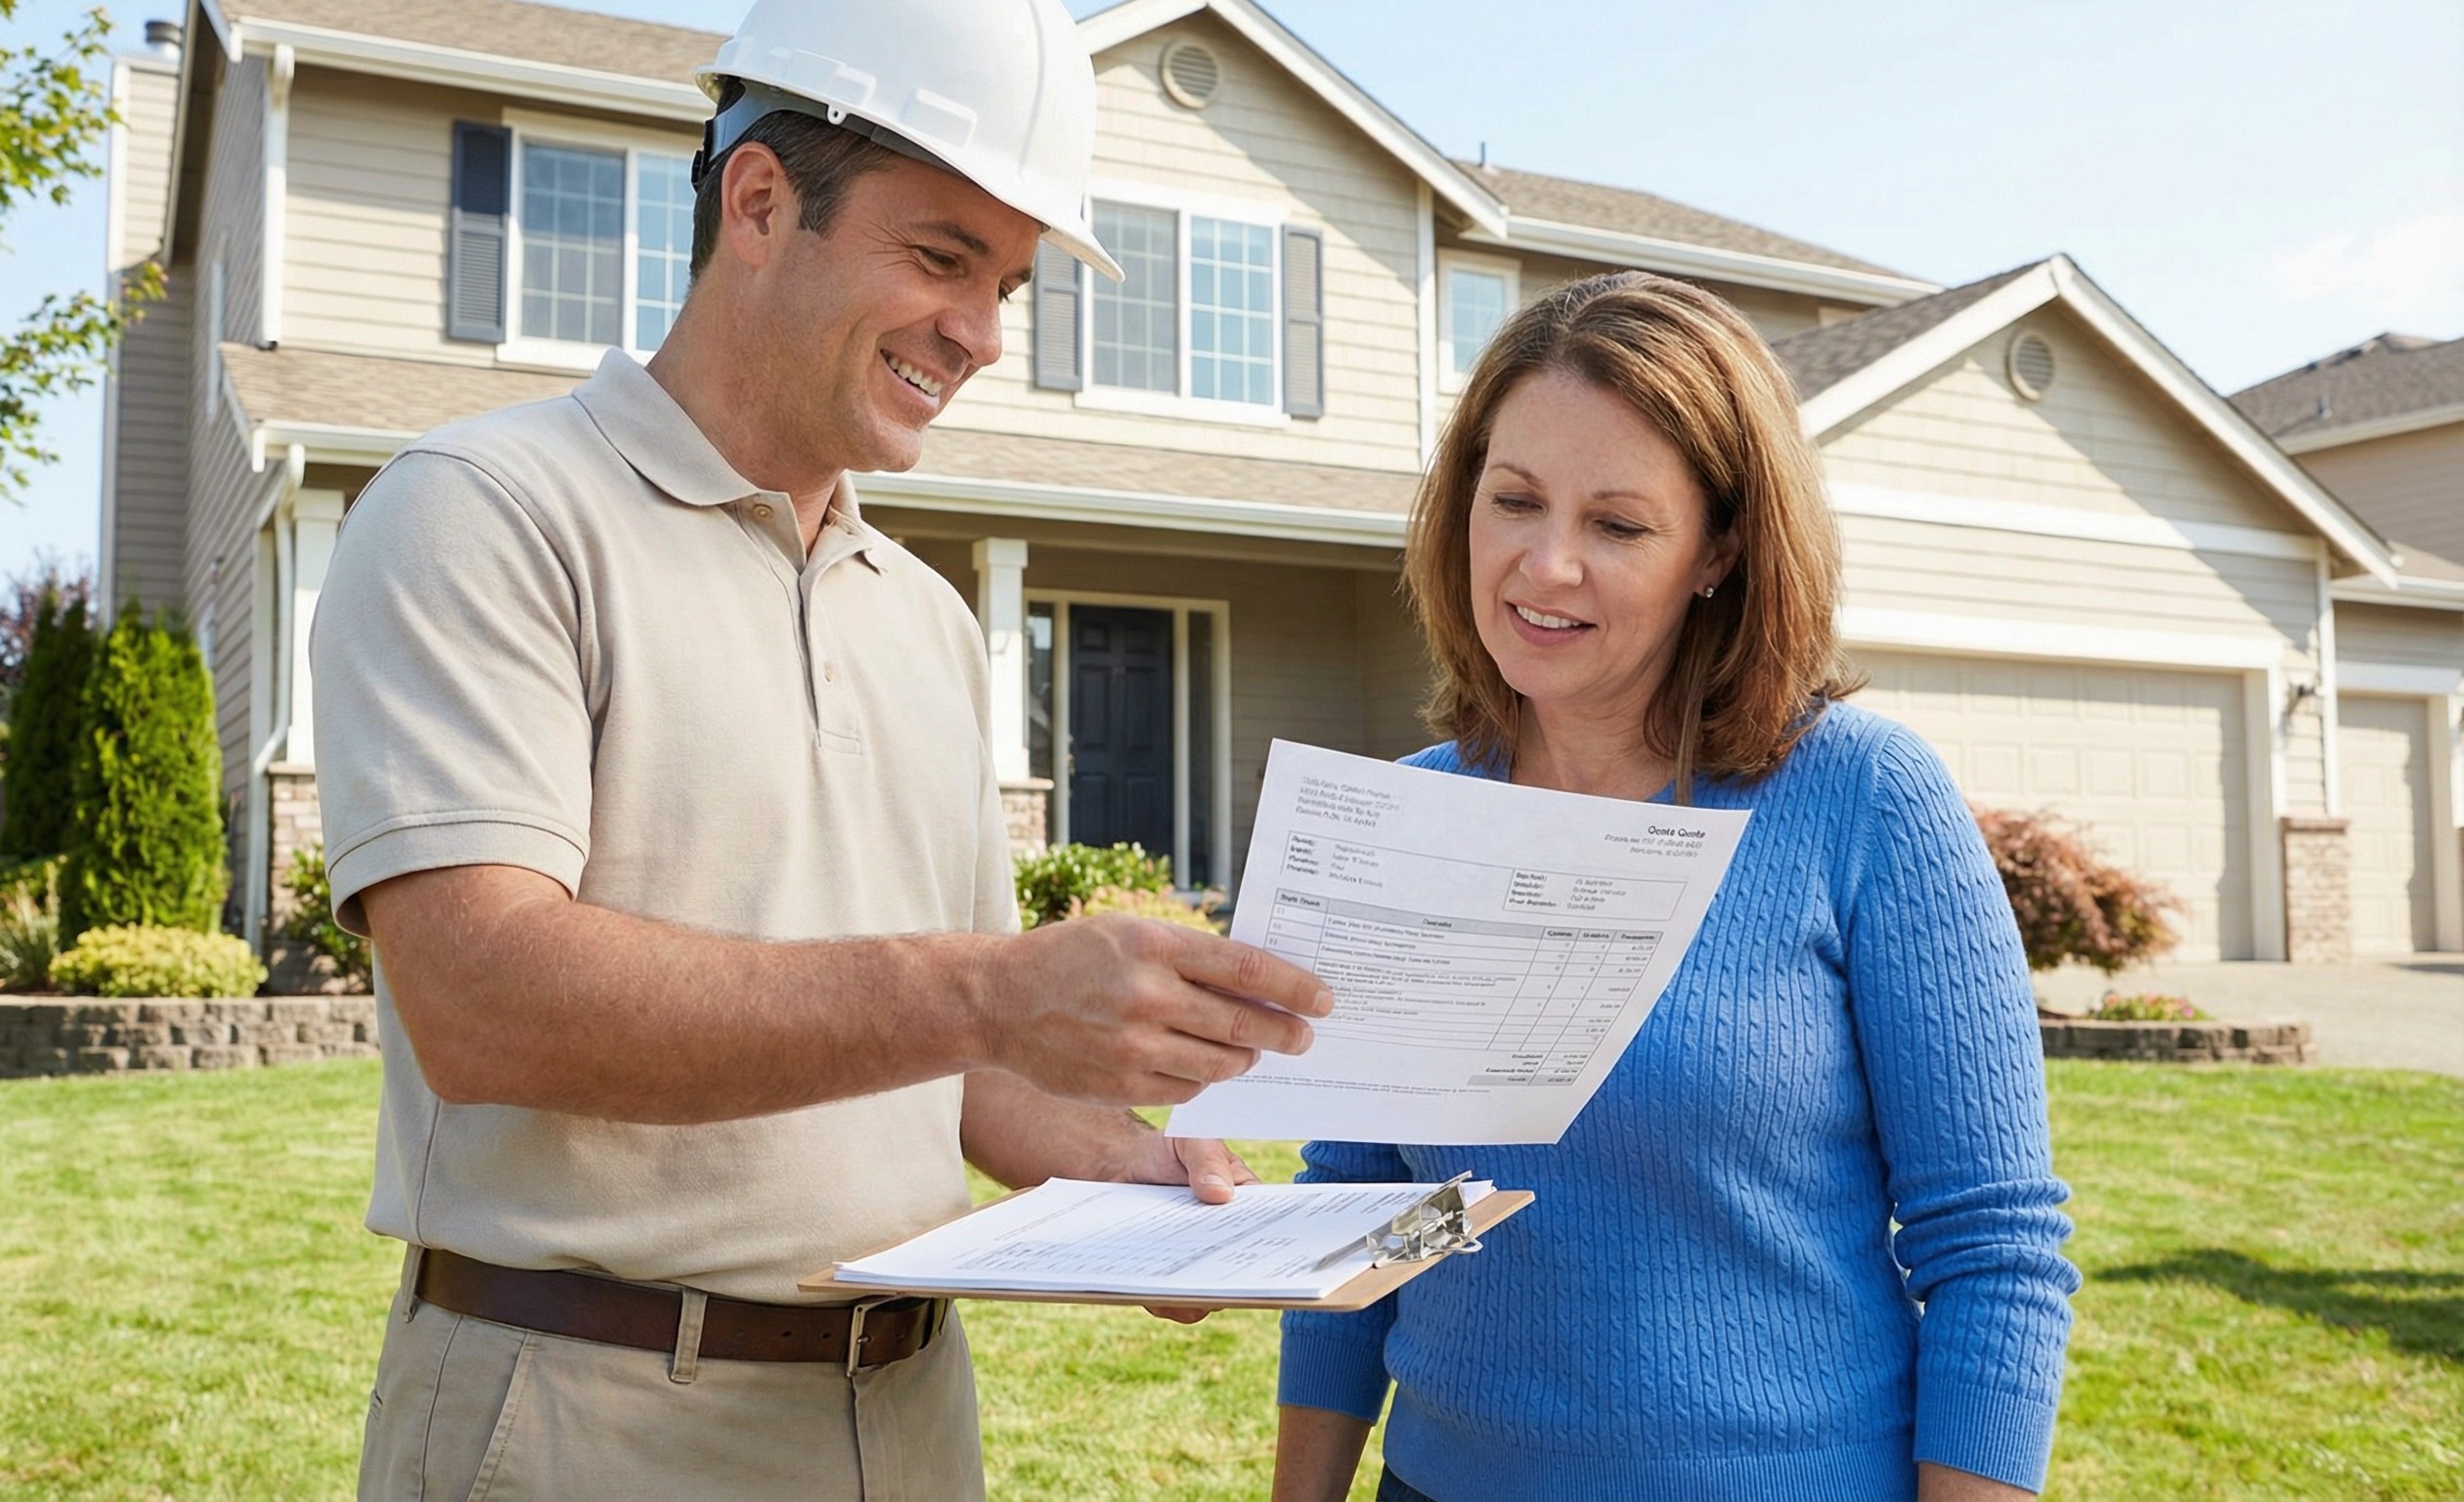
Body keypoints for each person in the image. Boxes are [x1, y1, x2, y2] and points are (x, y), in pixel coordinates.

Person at [311, 1, 1333, 1496]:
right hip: (585, 1418)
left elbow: (958, 1070)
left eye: (1006, 284)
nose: (980, 335)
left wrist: (1137, 1180)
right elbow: (480, 1001)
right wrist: (986, 990)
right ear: (762, 202)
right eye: (939, 259)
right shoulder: (487, 511)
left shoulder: (920, 618)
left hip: (907, 1419)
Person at [1269, 272, 2080, 1502]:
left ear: (1719, 552)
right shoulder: (1415, 814)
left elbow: (1994, 1252)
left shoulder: (1861, 801)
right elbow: (1368, 1207)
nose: (1546, 566)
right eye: (1515, 501)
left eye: (1619, 525)